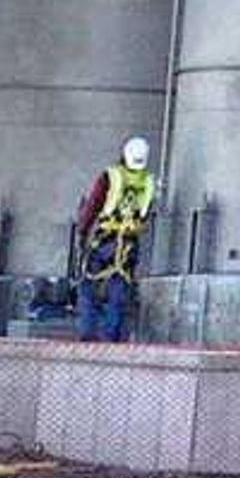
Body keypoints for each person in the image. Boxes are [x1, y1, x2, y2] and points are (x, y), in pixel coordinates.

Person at [73, 136, 157, 342]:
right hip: (128, 244)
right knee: (118, 292)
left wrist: (82, 233)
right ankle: (111, 337)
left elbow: (93, 206)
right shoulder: (148, 182)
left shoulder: (110, 177)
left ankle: (88, 334)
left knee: (88, 286)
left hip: (104, 241)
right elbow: (145, 215)